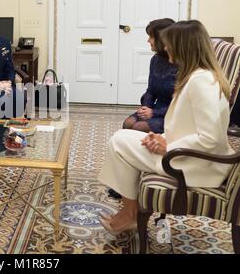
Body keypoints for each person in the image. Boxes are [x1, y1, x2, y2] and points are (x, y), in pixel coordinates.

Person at [98, 20, 234, 236]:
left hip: (193, 164)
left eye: (170, 44)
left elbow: (211, 139)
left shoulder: (202, 82)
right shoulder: (198, 76)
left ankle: (129, 215)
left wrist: (168, 146)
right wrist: (160, 137)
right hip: (186, 155)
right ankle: (129, 213)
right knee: (122, 136)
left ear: (183, 47)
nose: (166, 47)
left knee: (118, 143)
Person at [109, 18, 177, 200]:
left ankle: (136, 179)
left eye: (151, 37)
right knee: (128, 122)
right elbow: (150, 89)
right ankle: (123, 183)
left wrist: (155, 113)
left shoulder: (181, 63)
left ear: (162, 39)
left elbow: (180, 103)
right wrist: (146, 105)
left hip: (170, 113)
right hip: (154, 107)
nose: (148, 41)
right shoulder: (155, 60)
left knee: (139, 128)